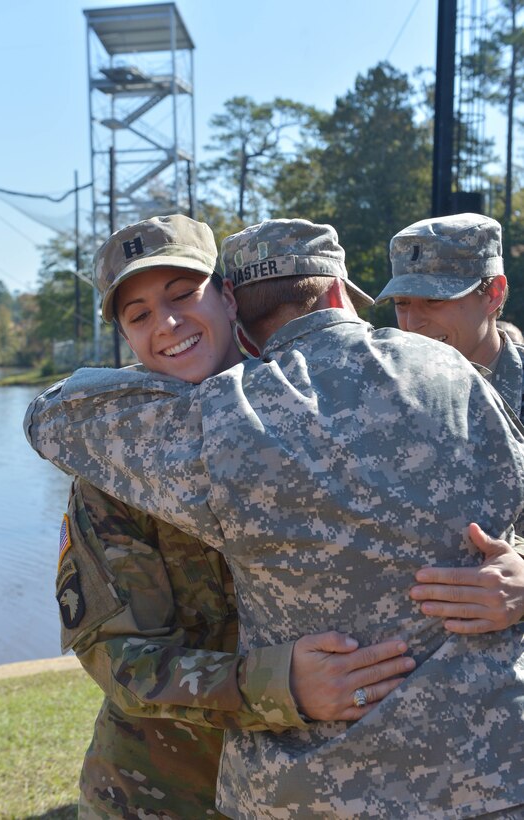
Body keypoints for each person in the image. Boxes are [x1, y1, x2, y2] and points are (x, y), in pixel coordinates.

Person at [26, 218, 524, 818]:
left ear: (229, 296)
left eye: (184, 295)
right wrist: (276, 684)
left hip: (318, 784)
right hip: (166, 783)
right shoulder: (117, 458)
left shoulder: (350, 403)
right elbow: (118, 657)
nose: (167, 323)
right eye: (138, 315)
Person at [375, 212, 524, 627]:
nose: (414, 323)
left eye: (436, 300)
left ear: (493, 294)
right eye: (402, 304)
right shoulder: (379, 397)